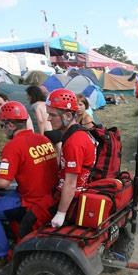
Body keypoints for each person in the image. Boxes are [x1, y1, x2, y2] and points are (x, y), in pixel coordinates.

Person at [0, 101, 58, 274]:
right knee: (5, 198)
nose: (2, 130)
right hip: (49, 196)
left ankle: (2, 257)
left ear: (10, 125)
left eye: (2, 126)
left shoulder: (13, 146)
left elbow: (2, 182)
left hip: (32, 202)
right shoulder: (43, 139)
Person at [46, 89, 97, 228]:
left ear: (68, 115)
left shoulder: (75, 141)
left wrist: (60, 213)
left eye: (52, 115)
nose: (48, 119)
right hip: (70, 193)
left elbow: (71, 183)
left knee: (28, 220)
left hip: (71, 199)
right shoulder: (75, 133)